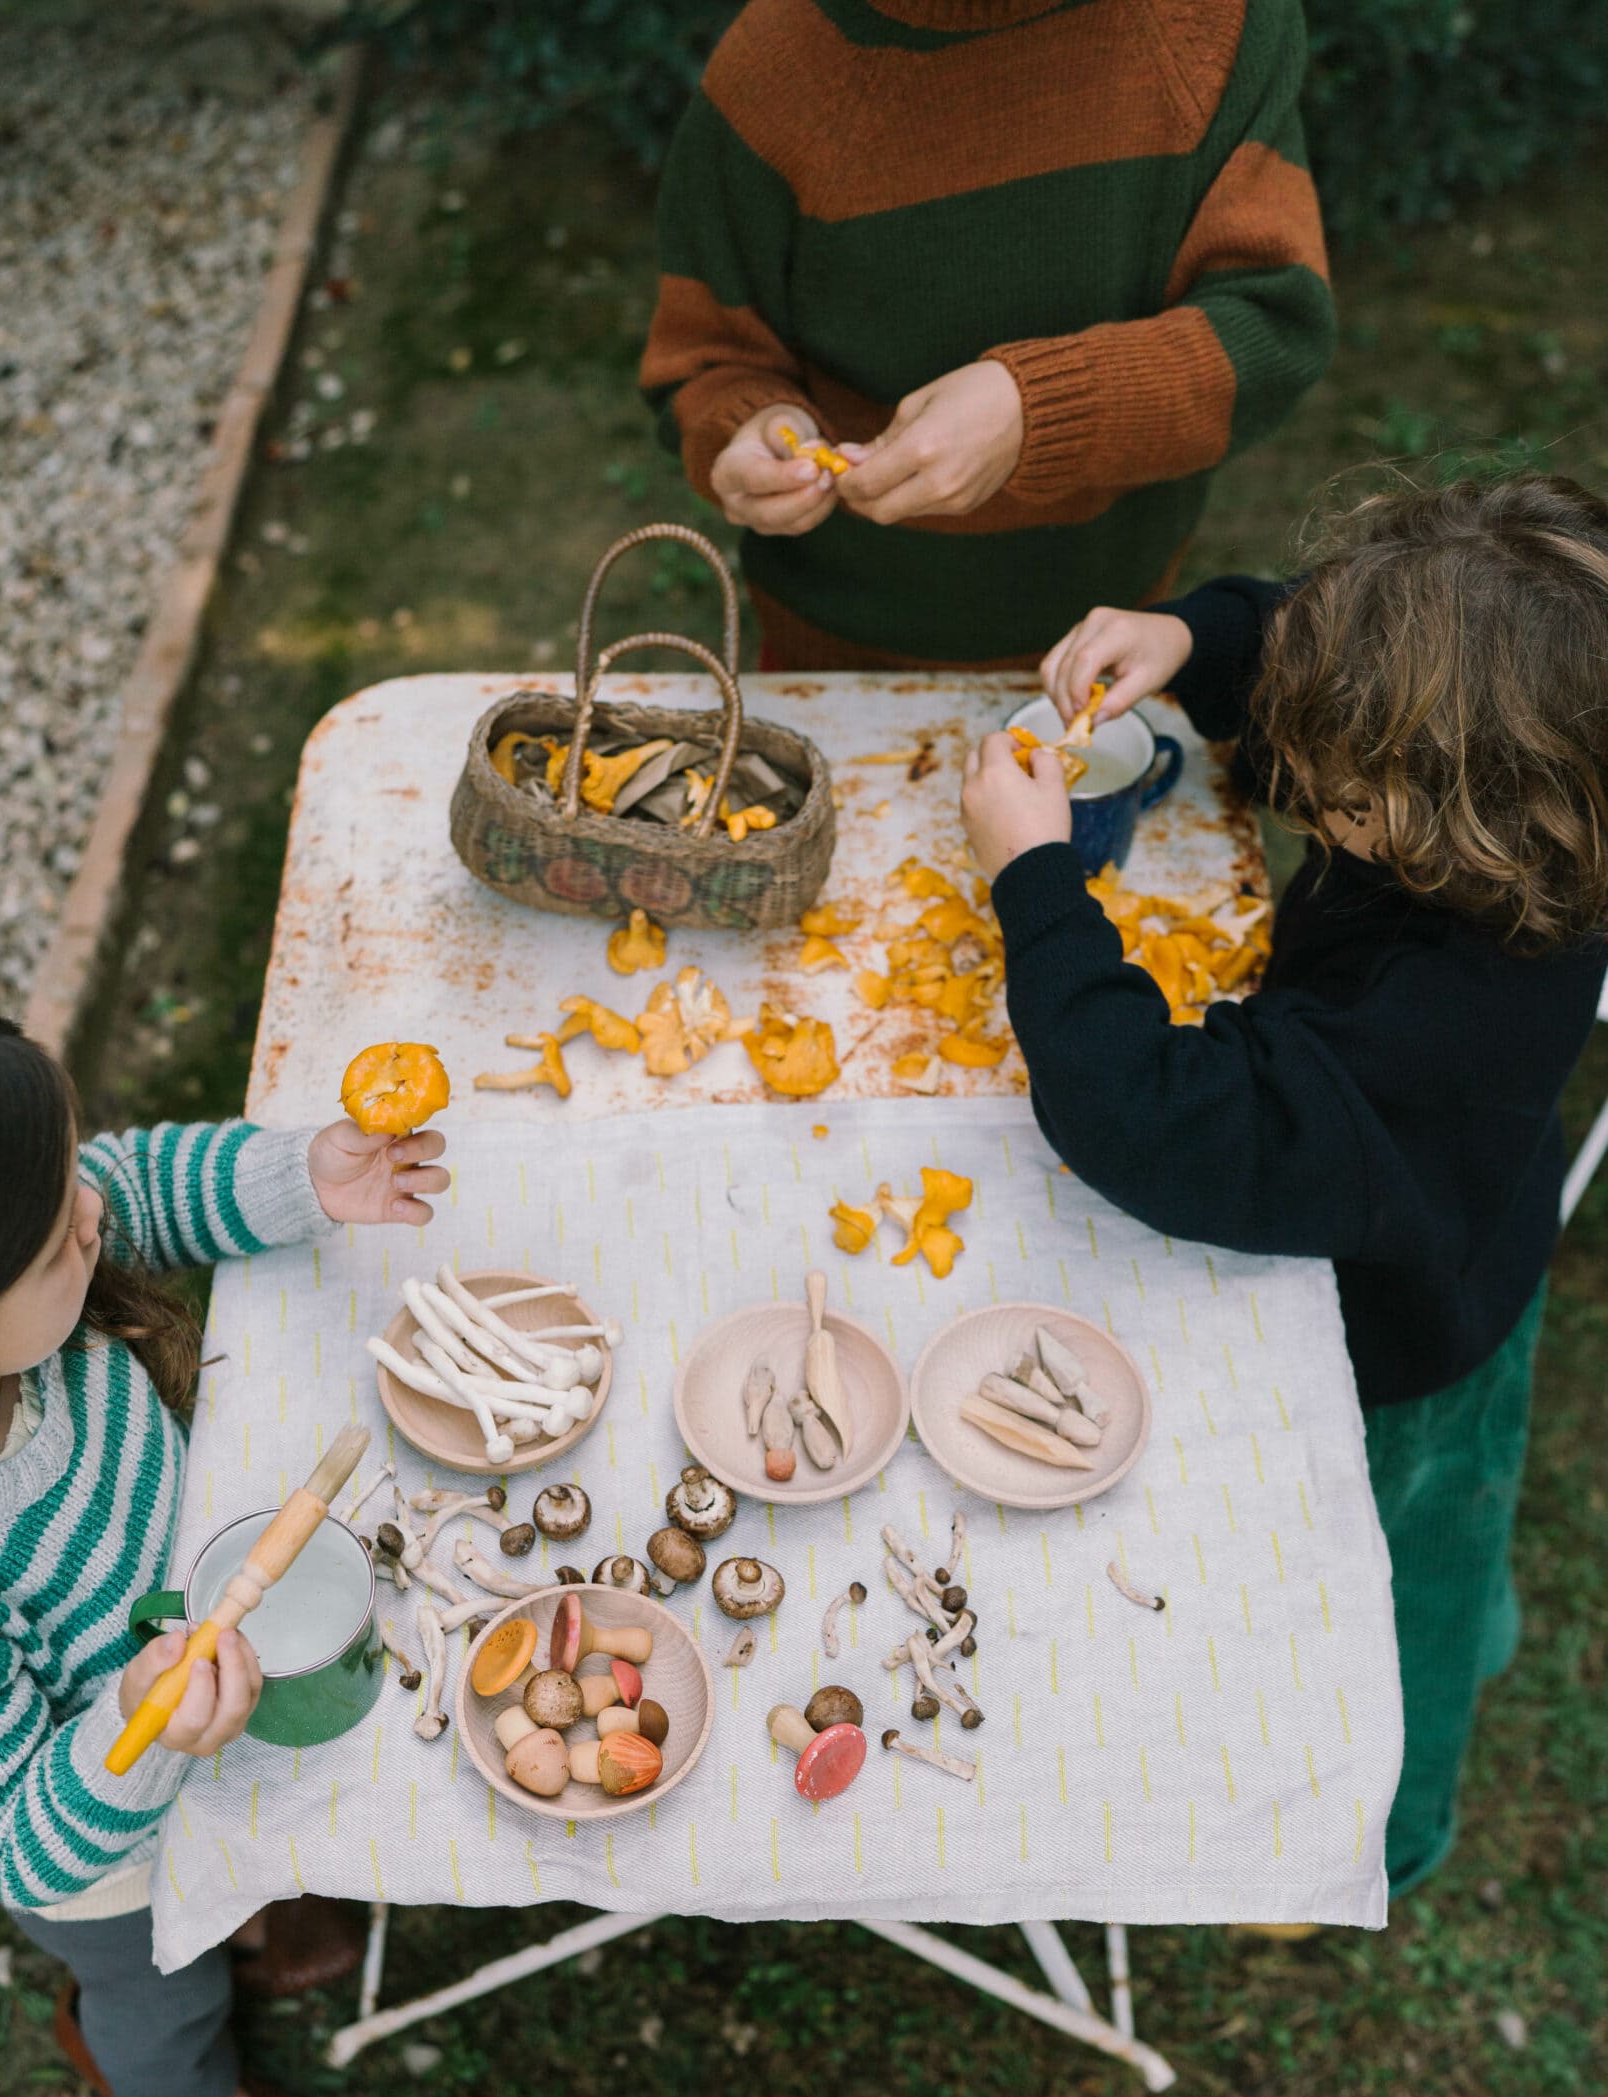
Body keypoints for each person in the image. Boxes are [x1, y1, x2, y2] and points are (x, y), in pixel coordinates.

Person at [957, 471, 1608, 1899]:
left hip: (1402, 1334)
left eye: (1340, 794)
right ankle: (1473, 1605)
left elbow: (1156, 1120)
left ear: (1474, 814)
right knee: (1460, 1515)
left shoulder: (1436, 1024)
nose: (1305, 793)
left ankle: (1388, 1816)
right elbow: (1317, 646)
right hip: (1469, 1219)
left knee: (1399, 1565)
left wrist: (1033, 881)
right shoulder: (1521, 780)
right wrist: (1191, 637)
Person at [0, 1003, 447, 2097]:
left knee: (246, 1839)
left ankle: (246, 1909)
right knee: (162, 1966)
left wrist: (307, 1177)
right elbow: (12, 1841)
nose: (90, 1217)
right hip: (100, 1836)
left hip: (202, 1697)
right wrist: (131, 1735)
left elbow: (139, 1183)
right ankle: (180, 2094)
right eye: (55, 1239)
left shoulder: (32, 1248)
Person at [640, 0, 1334, 673]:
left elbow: (1272, 325)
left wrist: (1038, 412)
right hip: (829, 655)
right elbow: (708, 356)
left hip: (1118, 641)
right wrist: (747, 424)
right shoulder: (781, 58)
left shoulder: (1218, 26)